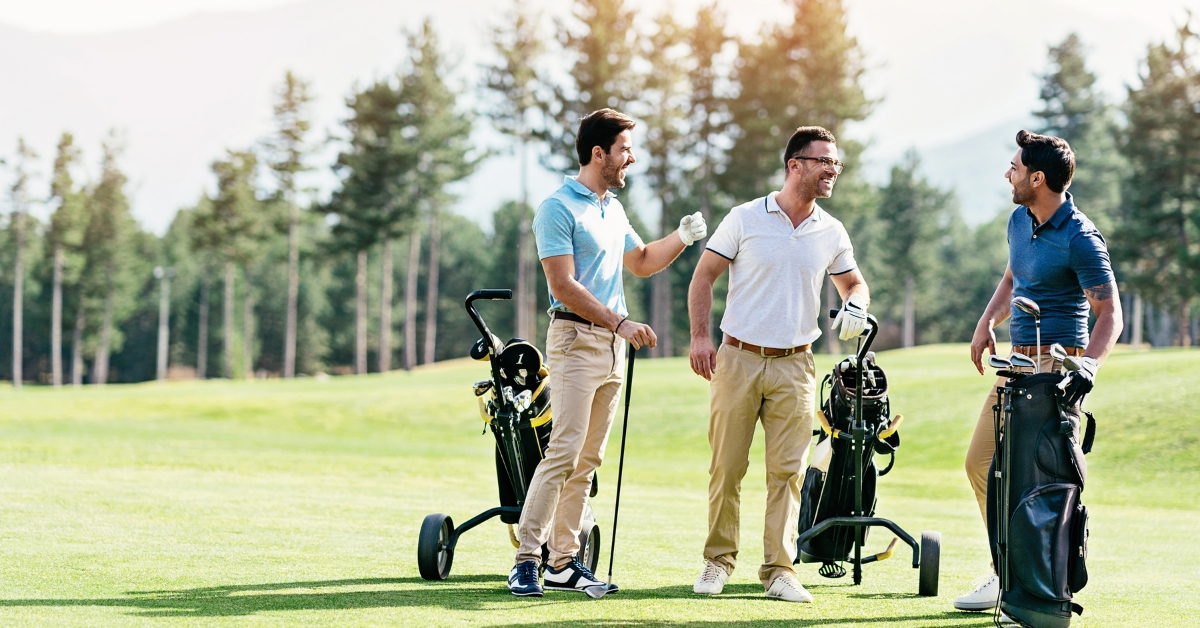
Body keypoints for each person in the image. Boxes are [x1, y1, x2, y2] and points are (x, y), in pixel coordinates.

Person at [508, 108, 708, 597]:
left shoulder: (610, 208)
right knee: (563, 452)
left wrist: (682, 238)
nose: (630, 159)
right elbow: (563, 284)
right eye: (624, 150)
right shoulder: (557, 208)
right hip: (577, 340)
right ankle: (526, 560)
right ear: (599, 154)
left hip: (613, 348)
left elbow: (640, 263)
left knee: (588, 460)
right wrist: (619, 321)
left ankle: (563, 562)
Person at [687, 126, 870, 603]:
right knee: (727, 467)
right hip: (738, 357)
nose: (833, 170)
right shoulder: (746, 218)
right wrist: (700, 337)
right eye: (825, 161)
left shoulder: (830, 229)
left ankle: (779, 571)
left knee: (787, 473)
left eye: (838, 164)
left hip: (796, 365)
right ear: (796, 165)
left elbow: (854, 283)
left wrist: (855, 303)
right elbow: (704, 275)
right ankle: (717, 562)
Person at [955, 130, 1122, 612]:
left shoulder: (1081, 238)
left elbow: (1110, 314)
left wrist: (1087, 366)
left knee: (1036, 477)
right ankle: (1006, 571)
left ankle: (1036, 582)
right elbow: (1013, 278)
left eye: (1014, 167)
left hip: (1057, 366)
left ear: (1038, 177)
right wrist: (986, 323)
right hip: (1017, 361)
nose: (1007, 173)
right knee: (981, 463)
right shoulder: (1018, 220)